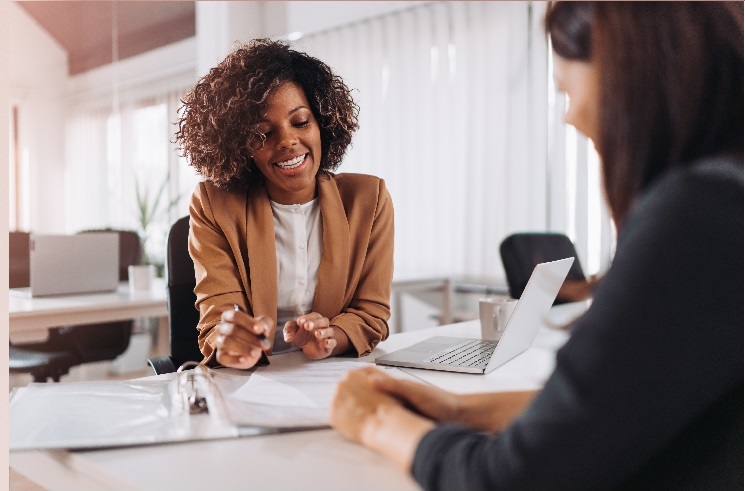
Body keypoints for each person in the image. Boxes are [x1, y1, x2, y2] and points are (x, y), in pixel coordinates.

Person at [330, 3, 743, 490]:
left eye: (566, 90)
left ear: (627, 76)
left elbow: (515, 478)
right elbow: (613, 409)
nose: (570, 116)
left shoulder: (695, 215)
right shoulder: (725, 198)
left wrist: (375, 421)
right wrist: (458, 408)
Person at [175, 39, 394, 369]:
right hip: (248, 385)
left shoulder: (369, 199)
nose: (288, 142)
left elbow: (371, 313)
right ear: (241, 146)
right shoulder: (213, 204)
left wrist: (332, 338)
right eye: (263, 134)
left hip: (331, 379)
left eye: (301, 121)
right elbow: (218, 318)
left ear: (322, 122)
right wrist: (231, 341)